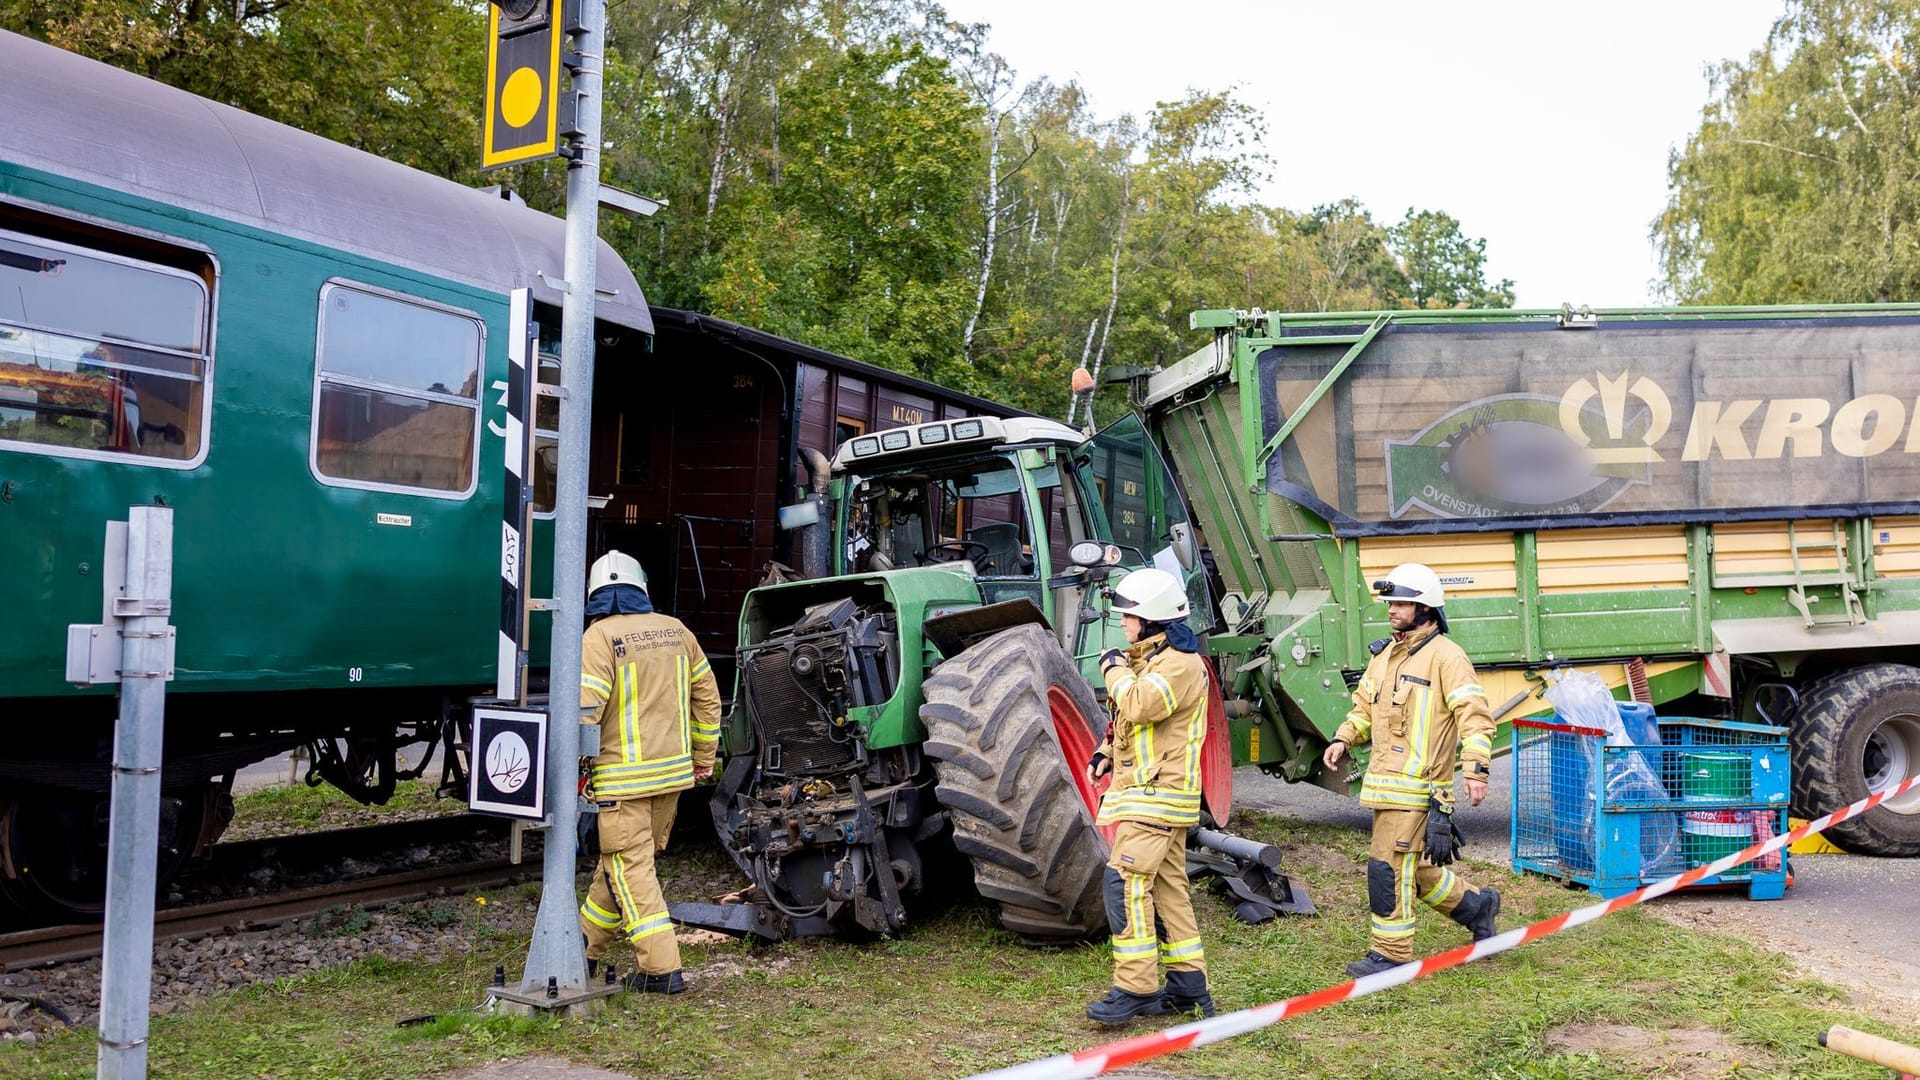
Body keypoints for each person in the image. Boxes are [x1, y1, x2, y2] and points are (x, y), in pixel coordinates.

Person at [1322, 562, 1500, 978]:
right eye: (1390, 601)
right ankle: (1477, 907)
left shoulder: (1447, 657)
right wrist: (1343, 737)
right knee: (1412, 870)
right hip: (1386, 788)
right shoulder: (1385, 655)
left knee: (1386, 868)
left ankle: (1391, 954)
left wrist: (1475, 769)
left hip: (1420, 790)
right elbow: (1364, 708)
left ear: (1426, 609)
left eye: (1401, 602)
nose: (1391, 608)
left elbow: (1475, 716)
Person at [576, 550, 721, 993]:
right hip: (672, 778)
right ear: (641, 590)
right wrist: (703, 758)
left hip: (622, 782)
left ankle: (662, 970)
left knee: (631, 869)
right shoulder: (677, 631)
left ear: (596, 594)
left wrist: (576, 773)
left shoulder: (598, 637)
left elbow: (585, 714)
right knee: (620, 866)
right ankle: (580, 951)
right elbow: (709, 700)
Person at [1083, 567, 1216, 1024]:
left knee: (1124, 881)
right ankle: (1188, 987)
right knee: (1168, 888)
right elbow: (1133, 721)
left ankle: (1135, 986)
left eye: (1128, 617)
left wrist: (1112, 666)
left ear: (1150, 619)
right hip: (1150, 794)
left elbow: (1140, 704)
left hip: (1157, 796)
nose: (1123, 624)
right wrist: (1104, 751)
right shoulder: (1155, 662)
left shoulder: (1179, 663)